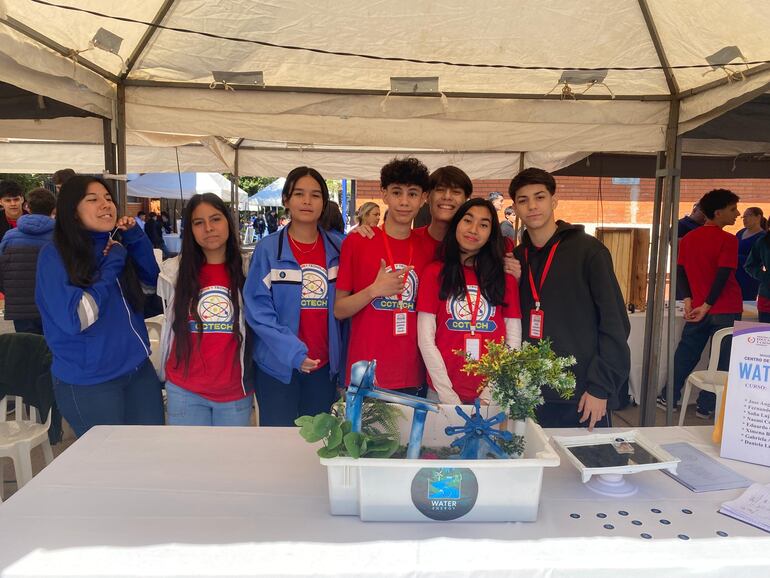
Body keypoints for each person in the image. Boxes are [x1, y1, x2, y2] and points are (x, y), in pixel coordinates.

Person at [34, 175, 164, 437]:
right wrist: (112, 264)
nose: (105, 205)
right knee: (110, 467)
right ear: (72, 212)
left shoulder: (113, 244)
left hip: (138, 370)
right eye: (92, 200)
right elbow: (77, 317)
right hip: (91, 382)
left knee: (151, 453)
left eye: (108, 198)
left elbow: (151, 290)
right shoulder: (54, 255)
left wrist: (136, 239)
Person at [509, 168, 630, 430]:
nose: (532, 206)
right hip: (530, 393)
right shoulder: (517, 259)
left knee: (588, 468)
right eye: (523, 200)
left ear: (554, 201)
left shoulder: (589, 251)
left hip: (582, 393)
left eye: (539, 197)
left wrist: (601, 387)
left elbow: (615, 323)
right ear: (515, 208)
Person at [245, 167, 345, 425]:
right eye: (299, 193)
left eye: (315, 195)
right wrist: (294, 353)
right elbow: (258, 310)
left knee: (317, 447)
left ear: (324, 202)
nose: (307, 201)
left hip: (323, 369)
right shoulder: (268, 250)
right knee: (278, 447)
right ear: (286, 200)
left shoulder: (339, 247)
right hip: (278, 369)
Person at [334, 157, 434, 394]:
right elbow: (339, 310)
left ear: (423, 198)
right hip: (366, 374)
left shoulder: (429, 248)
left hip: (413, 372)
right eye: (397, 192)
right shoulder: (358, 242)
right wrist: (373, 291)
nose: (404, 201)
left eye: (412, 194)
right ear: (384, 194)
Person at [157, 193, 253, 426]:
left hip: (234, 393)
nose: (208, 228)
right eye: (198, 223)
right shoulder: (174, 271)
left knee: (230, 462)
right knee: (189, 463)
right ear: (189, 229)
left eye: (215, 219)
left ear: (228, 222)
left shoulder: (248, 268)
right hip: (184, 391)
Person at [417, 198, 522, 404]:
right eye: (467, 221)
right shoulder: (434, 273)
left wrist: (489, 395)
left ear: (491, 234)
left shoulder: (505, 277)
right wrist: (448, 396)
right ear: (456, 224)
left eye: (484, 225)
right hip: (440, 394)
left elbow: (513, 340)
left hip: (493, 396)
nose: (474, 230)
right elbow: (426, 339)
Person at [661, 189, 743, 418]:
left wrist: (690, 300)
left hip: (697, 307)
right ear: (718, 213)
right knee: (722, 358)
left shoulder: (688, 239)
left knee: (687, 352)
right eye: (732, 209)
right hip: (724, 307)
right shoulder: (728, 240)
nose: (737, 214)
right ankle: (707, 405)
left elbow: (679, 272)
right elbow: (723, 274)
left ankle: (669, 396)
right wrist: (706, 304)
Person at [0, 188, 56, 334]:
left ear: (27, 207)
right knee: (54, 351)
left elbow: (1, 271)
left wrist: (11, 294)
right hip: (54, 305)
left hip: (21, 308)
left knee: (30, 351)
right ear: (54, 209)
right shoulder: (62, 237)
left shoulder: (9, 237)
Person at [735, 207, 766, 301]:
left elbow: (761, 259)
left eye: (748, 216)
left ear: (758, 217)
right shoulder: (740, 232)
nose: (744, 219)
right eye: (743, 217)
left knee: (746, 304)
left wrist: (738, 257)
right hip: (734, 273)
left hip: (749, 277)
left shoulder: (763, 237)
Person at [745, 228, 770, 323]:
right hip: (767, 297)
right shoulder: (763, 241)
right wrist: (766, 277)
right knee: (766, 335)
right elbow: (750, 265)